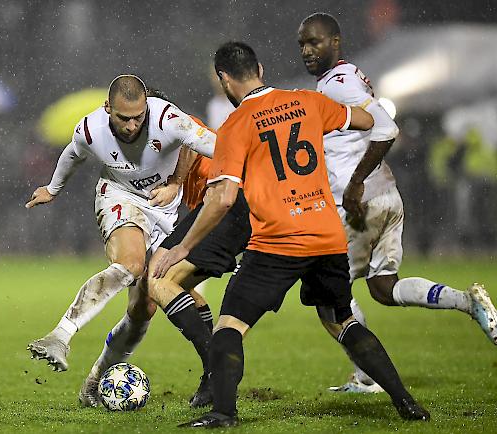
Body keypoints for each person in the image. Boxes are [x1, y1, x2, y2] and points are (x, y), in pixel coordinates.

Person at [155, 41, 430, 428]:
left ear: (224, 79)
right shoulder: (307, 101)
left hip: (278, 240)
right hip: (326, 233)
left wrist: (182, 247)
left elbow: (222, 199)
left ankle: (223, 412)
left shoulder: (236, 124)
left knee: (229, 324)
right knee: (343, 322)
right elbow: (368, 121)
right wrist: (358, 103)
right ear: (261, 69)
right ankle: (406, 403)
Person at [297, 13, 497, 394]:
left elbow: (387, 127)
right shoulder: (352, 75)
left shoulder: (339, 83)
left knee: (327, 300)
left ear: (336, 41)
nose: (308, 50)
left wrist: (355, 183)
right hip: (387, 197)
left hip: (358, 205)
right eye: (303, 45)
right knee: (383, 288)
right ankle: (465, 301)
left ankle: (367, 376)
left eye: (315, 42)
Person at [25, 75, 215, 392]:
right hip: (119, 197)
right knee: (131, 263)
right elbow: (73, 153)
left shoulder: (168, 118)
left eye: (138, 117)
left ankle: (95, 381)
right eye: (123, 118)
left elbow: (212, 144)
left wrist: (176, 183)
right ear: (107, 107)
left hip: (165, 211)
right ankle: (61, 335)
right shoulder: (90, 129)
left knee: (144, 308)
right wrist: (53, 189)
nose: (130, 126)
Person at [77, 90, 250, 409]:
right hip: (234, 208)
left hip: (227, 203)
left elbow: (189, 142)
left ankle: (217, 371)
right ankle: (212, 375)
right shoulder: (160, 153)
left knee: (157, 281)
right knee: (175, 286)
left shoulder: (181, 129)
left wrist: (175, 181)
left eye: (141, 121)